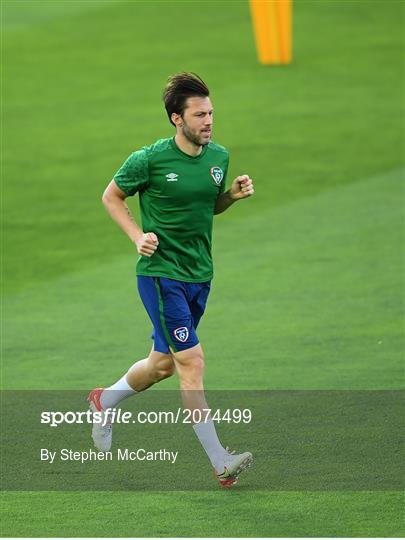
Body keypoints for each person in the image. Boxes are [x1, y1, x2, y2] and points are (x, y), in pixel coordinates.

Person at [88, 72, 254, 487]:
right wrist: (136, 236)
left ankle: (103, 403)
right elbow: (112, 196)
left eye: (211, 113)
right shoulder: (149, 159)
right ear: (177, 119)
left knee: (161, 365)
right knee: (191, 362)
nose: (209, 121)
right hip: (162, 275)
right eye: (199, 115)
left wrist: (229, 196)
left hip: (200, 275)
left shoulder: (218, 158)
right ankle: (221, 462)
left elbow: (205, 206)